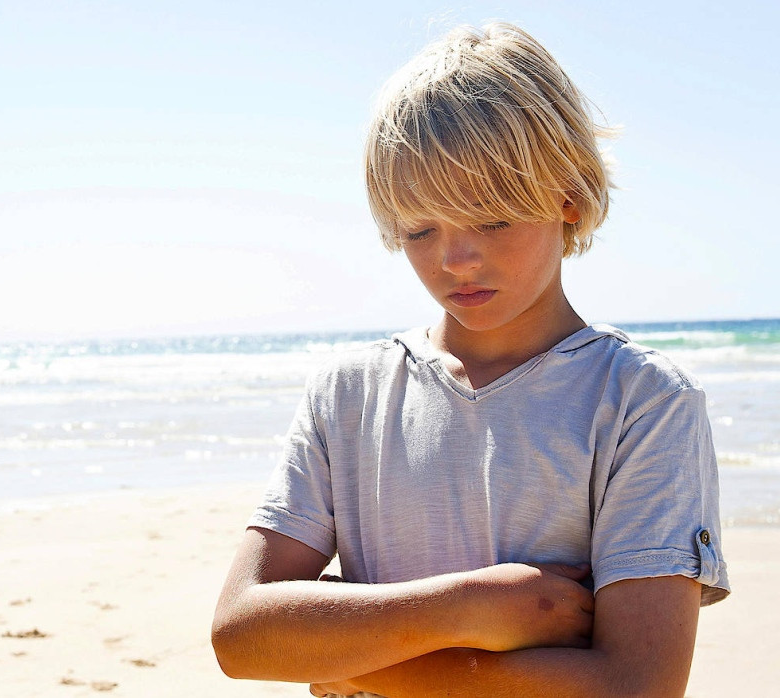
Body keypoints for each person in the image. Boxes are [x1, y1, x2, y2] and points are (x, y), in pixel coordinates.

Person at [211, 22, 729, 697]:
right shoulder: (350, 395)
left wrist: (338, 654)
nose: (456, 259)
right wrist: (470, 607)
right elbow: (241, 634)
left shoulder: (642, 402)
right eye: (421, 230)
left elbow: (637, 686)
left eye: (491, 218)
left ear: (566, 197)